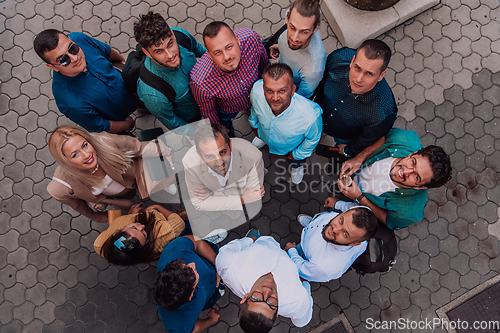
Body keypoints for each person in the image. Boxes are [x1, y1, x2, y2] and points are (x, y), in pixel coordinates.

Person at [46, 125, 173, 222]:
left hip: (134, 176)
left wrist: (166, 151)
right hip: (117, 198)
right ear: (66, 161)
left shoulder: (105, 141)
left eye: (85, 145)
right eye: (75, 154)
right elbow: (79, 206)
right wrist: (98, 217)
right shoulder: (60, 188)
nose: (87, 155)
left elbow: (137, 147)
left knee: (166, 179)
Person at [335, 128, 452, 230]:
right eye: (413, 162)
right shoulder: (404, 139)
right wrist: (359, 158)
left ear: (421, 187)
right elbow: (381, 136)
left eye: (416, 176)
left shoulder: (409, 212)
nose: (405, 171)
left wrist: (359, 198)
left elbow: (389, 221)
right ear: (414, 153)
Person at [33, 29, 137, 133]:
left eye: (72, 48)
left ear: (71, 40)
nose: (74, 58)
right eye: (63, 60)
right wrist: (127, 124)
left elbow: (106, 51)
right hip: (120, 115)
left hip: (135, 85)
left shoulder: (79, 38)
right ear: (52, 67)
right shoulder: (69, 103)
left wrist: (123, 63)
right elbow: (102, 126)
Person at [216, 230, 313, 332]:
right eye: (271, 304)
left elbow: (237, 246)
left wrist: (253, 238)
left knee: (253, 237)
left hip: (262, 240)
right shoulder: (298, 303)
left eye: (256, 299)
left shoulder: (229, 263)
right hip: (289, 258)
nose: (267, 292)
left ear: (245, 297)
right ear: (277, 311)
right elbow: (301, 322)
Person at [315, 39, 397, 159]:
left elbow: (365, 139)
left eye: (369, 73)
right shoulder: (339, 58)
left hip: (342, 135)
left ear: (381, 75)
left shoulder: (383, 113)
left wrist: (348, 150)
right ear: (352, 60)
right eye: (357, 68)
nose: (359, 79)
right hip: (316, 112)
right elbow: (319, 80)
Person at [190, 21, 270, 135]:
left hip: (256, 95)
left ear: (237, 39)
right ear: (209, 54)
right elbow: (209, 111)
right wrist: (219, 131)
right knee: (226, 129)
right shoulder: (201, 82)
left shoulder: (251, 39)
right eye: (218, 52)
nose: (227, 57)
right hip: (229, 109)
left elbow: (265, 68)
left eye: (229, 47)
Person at [133, 12, 205, 135]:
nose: (170, 55)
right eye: (159, 51)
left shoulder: (180, 35)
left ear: (172, 34)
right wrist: (195, 133)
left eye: (170, 44)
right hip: (193, 116)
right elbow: (173, 122)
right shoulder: (152, 93)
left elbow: (201, 51)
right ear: (147, 53)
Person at [249, 63, 322, 184]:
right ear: (263, 89)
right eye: (269, 91)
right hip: (264, 133)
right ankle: (263, 139)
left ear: (293, 90)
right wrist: (255, 126)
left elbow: (312, 140)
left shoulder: (311, 117)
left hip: (290, 149)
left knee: (295, 162)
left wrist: (296, 155)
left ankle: (296, 167)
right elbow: (254, 110)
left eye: (282, 91)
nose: (275, 98)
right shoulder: (256, 92)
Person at [285, 199, 378, 282]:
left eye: (345, 234)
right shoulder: (362, 216)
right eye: (341, 220)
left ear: (354, 243)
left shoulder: (321, 267)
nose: (335, 230)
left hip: (304, 253)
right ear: (346, 212)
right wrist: (338, 204)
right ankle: (312, 225)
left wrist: (292, 251)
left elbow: (303, 269)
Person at [182, 123, 265, 211]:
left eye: (222, 152)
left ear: (230, 145)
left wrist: (213, 193)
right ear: (199, 155)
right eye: (210, 156)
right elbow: (199, 204)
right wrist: (242, 199)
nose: (219, 162)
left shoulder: (253, 157)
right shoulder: (190, 163)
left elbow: (255, 193)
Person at [155, 235, 223, 333]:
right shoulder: (178, 325)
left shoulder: (173, 249)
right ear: (191, 295)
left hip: (211, 263)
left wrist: (219, 266)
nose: (193, 264)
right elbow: (192, 329)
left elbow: (198, 243)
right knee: (217, 294)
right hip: (209, 297)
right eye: (193, 272)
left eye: (185, 265)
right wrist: (210, 320)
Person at [94, 203, 186, 265]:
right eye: (144, 234)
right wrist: (157, 207)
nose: (141, 226)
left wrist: (130, 215)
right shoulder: (164, 232)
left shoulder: (100, 244)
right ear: (145, 246)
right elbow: (179, 222)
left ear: (116, 233)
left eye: (133, 227)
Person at [268, 0, 326, 98]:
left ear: (315, 29)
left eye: (304, 32)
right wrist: (281, 47)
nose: (295, 38)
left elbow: (299, 98)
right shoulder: (302, 14)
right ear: (287, 18)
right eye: (292, 27)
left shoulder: (313, 70)